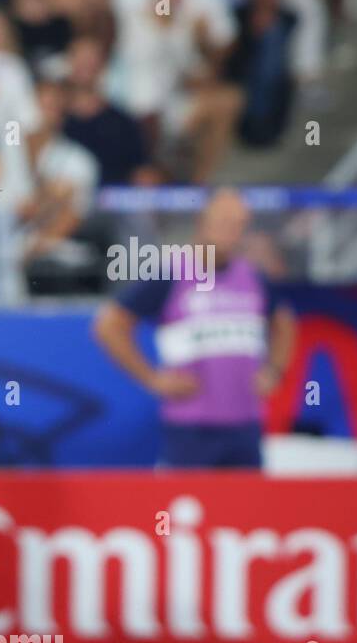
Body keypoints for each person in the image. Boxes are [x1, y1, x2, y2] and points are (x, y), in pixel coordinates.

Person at [92, 189, 295, 469]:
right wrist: (152, 378)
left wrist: (274, 370)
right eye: (223, 221)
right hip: (192, 427)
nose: (231, 231)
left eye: (238, 224)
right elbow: (109, 324)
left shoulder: (252, 277)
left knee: (247, 510)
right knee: (188, 508)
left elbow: (284, 321)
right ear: (202, 222)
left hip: (245, 423)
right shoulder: (173, 274)